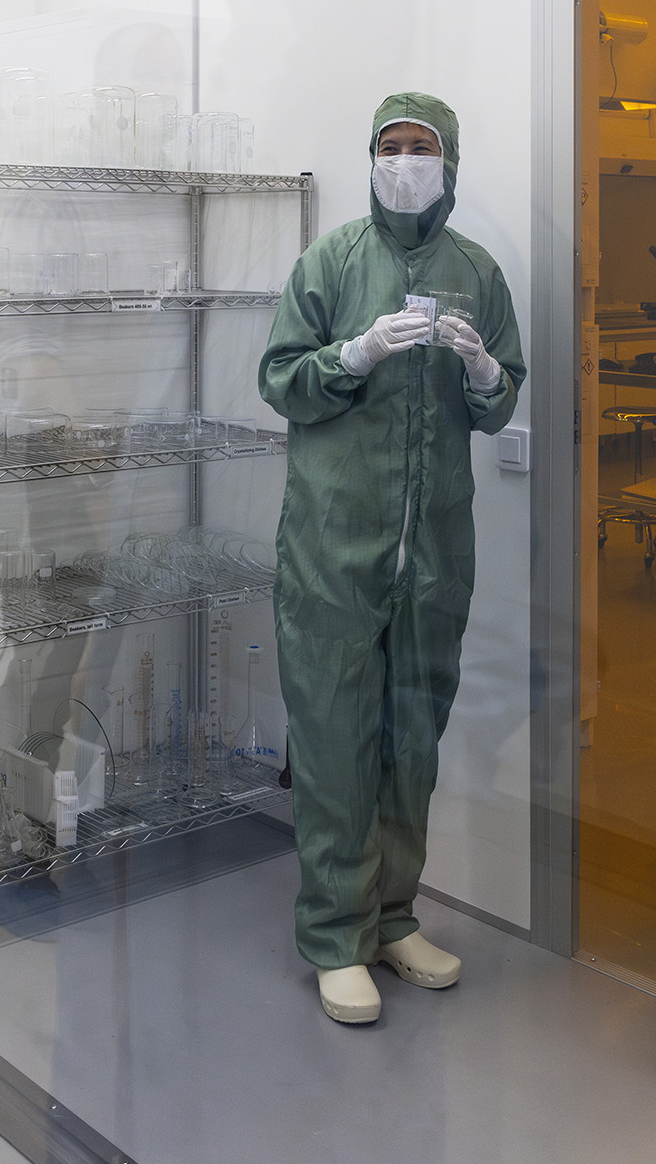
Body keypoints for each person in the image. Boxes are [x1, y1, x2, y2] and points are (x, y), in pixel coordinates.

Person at [259, 93, 525, 1024]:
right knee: (336, 741)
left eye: (423, 147)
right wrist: (355, 352)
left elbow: (499, 405)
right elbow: (280, 382)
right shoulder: (330, 261)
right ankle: (336, 933)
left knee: (412, 739)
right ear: (369, 156)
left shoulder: (477, 272)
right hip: (335, 547)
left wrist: (488, 373)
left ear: (450, 162)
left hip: (435, 553)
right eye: (391, 145)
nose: (406, 160)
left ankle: (394, 915)